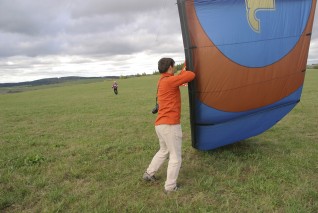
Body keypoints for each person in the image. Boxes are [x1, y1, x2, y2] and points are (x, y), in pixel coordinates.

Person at [143, 58, 195, 193]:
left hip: (160, 125)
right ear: (170, 68)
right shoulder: (170, 81)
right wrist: (184, 71)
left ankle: (149, 173)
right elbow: (191, 75)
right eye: (173, 67)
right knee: (175, 157)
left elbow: (181, 78)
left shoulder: (162, 81)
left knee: (163, 151)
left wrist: (180, 74)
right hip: (170, 125)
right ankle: (170, 187)